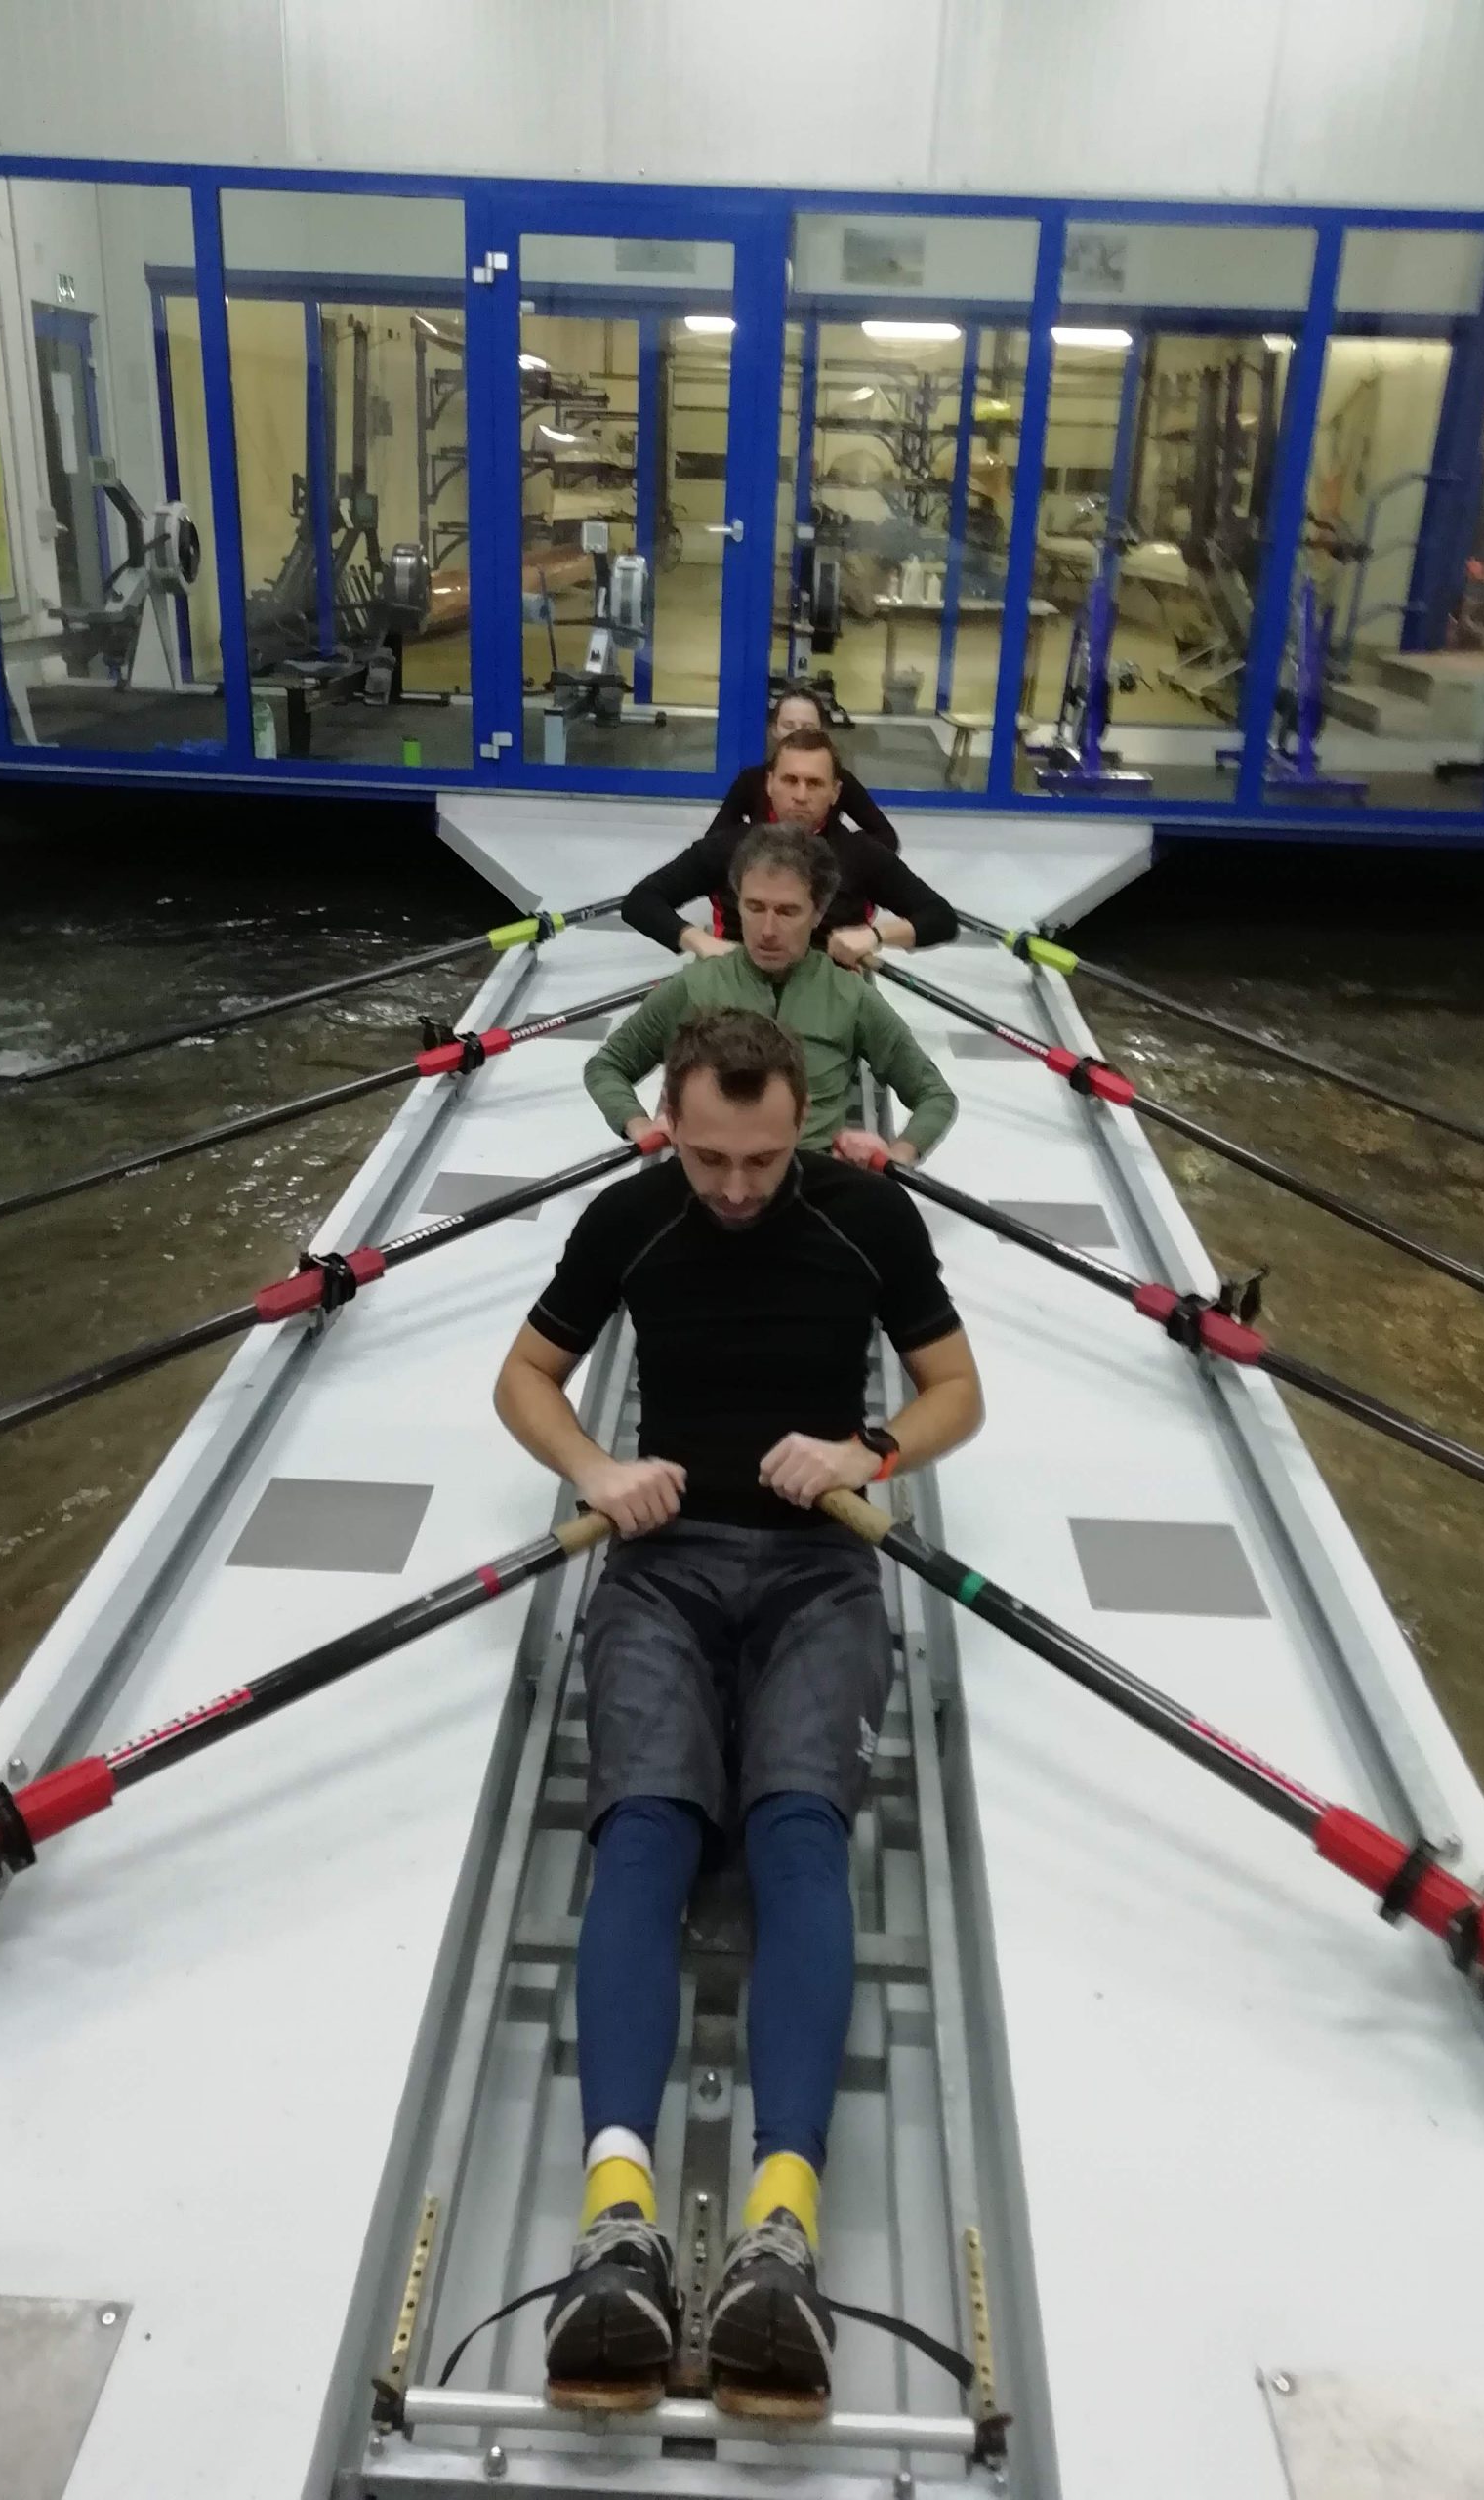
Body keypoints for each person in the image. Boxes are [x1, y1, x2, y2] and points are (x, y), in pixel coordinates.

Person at [494, 1009, 983, 2416]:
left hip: (823, 1564)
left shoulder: (865, 1218)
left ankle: (783, 2231)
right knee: (644, 1830)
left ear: (799, 1125)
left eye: (762, 1161)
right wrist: (598, 1469)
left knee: (796, 1833)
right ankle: (617, 2222)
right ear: (674, 1121)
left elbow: (955, 1391)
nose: (734, 1187)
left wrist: (865, 1449)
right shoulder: (629, 1217)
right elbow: (524, 1377)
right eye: (708, 1158)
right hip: (657, 1564)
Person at [585, 824, 956, 1167]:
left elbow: (935, 1095)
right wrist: (638, 1124)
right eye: (754, 907)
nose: (767, 929)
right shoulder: (693, 986)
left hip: (810, 1180)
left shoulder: (850, 996)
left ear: (818, 913)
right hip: (708, 1180)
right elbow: (607, 1066)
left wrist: (898, 1155)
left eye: (787, 912)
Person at [619, 726, 958, 968]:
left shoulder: (863, 854)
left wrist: (876, 937)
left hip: (830, 994)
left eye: (814, 783)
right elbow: (640, 901)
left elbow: (941, 918)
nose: (800, 795)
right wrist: (700, 941)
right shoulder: (728, 846)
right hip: (736, 983)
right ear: (770, 784)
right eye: (790, 780)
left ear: (835, 792)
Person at [706, 684, 901, 850]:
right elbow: (712, 842)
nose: (796, 733)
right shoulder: (751, 779)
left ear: (823, 731)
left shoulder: (840, 780)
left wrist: (837, 860)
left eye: (808, 727)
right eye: (788, 725)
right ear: (774, 730)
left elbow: (886, 837)